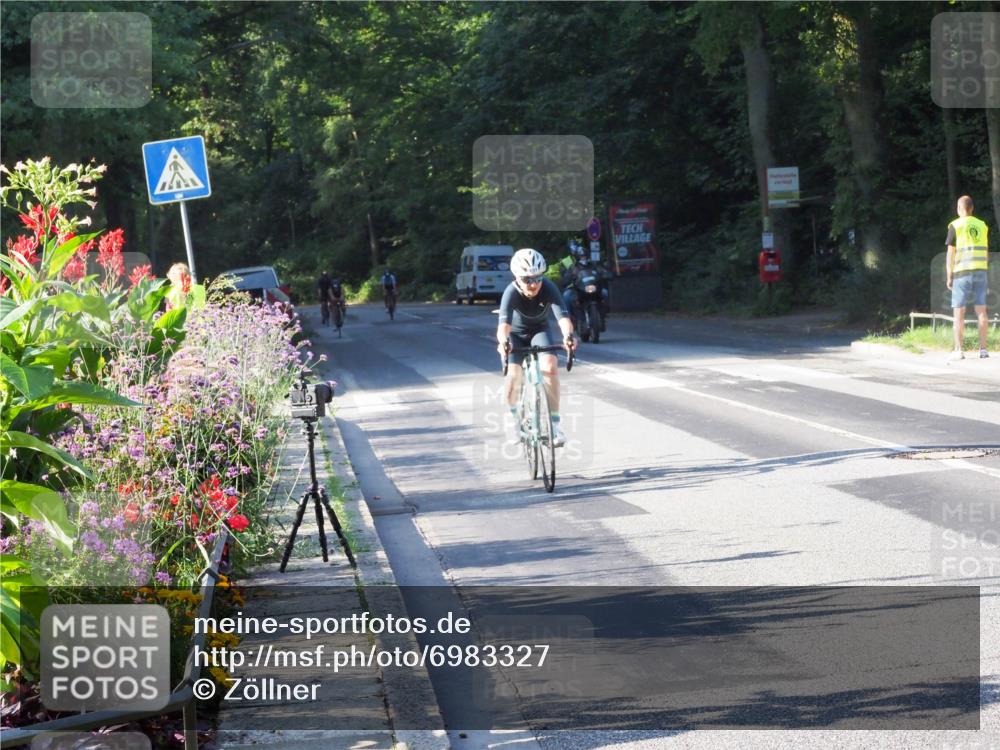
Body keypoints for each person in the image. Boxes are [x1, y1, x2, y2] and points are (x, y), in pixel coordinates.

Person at [496, 248, 577, 447]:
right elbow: (503, 326)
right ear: (517, 277)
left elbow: (563, 318)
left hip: (539, 330)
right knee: (514, 375)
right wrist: (503, 342)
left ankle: (555, 426)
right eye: (527, 279)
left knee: (550, 366)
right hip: (515, 334)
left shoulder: (549, 287)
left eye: (537, 278)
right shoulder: (511, 292)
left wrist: (568, 336)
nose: (533, 284)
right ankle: (512, 420)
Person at [946, 195, 990, 360]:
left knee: (959, 312)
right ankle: (983, 349)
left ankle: (959, 350)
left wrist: (949, 274)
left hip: (962, 272)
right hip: (980, 271)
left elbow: (951, 253)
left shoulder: (955, 225)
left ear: (959, 208)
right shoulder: (982, 225)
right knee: (981, 310)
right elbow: (985, 251)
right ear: (972, 208)